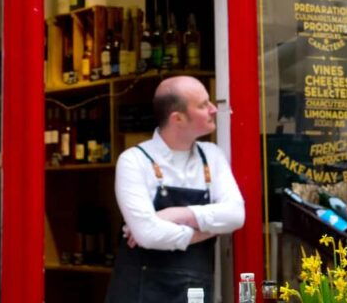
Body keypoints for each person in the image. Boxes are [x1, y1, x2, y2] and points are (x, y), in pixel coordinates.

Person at [105, 76, 245, 303]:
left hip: (194, 293)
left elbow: (236, 215)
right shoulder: (133, 161)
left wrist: (176, 215)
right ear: (177, 118)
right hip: (139, 293)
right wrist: (209, 230)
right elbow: (148, 235)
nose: (212, 110)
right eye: (202, 105)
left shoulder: (212, 155)